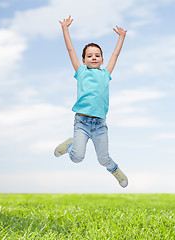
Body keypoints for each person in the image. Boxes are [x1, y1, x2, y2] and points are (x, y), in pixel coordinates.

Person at [54, 15, 128, 188]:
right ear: (84, 60)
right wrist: (65, 29)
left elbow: (116, 54)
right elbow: (70, 50)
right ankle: (70, 145)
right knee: (77, 158)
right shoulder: (81, 72)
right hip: (82, 122)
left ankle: (115, 170)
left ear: (102, 59)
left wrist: (121, 37)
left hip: (100, 125)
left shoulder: (106, 74)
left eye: (97, 55)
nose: (93, 58)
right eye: (89, 55)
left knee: (103, 159)